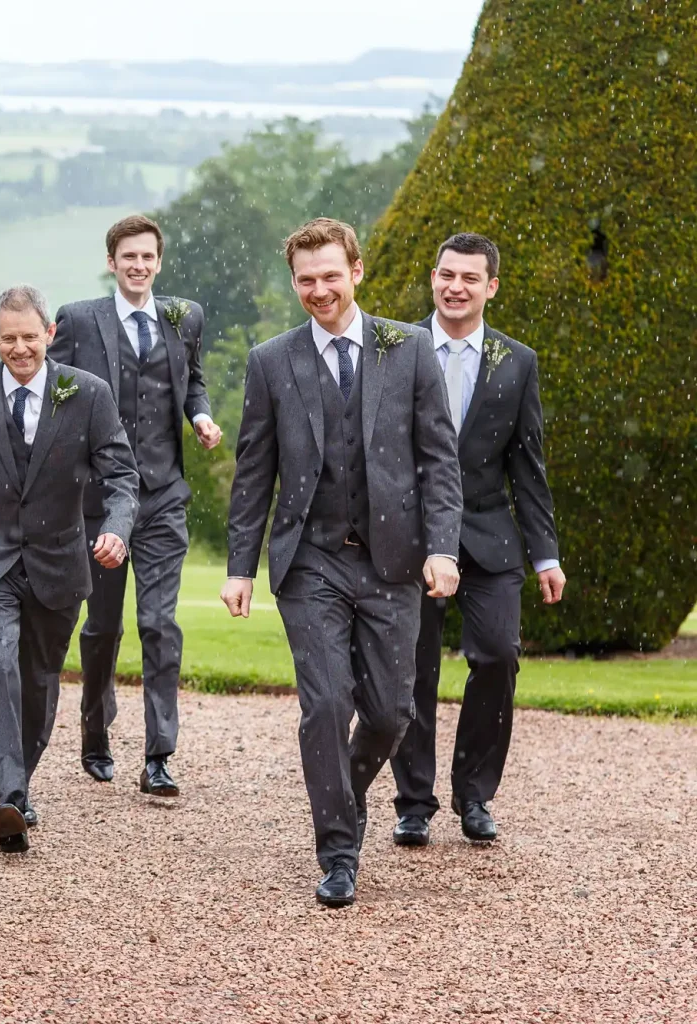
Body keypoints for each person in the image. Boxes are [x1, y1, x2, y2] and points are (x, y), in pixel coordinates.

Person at [220, 218, 462, 907]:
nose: (319, 290)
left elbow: (438, 460)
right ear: (293, 282)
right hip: (311, 562)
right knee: (325, 702)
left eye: (331, 275)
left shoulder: (409, 348)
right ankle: (338, 852)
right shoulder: (272, 361)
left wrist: (442, 547)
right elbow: (253, 472)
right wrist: (239, 566)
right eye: (306, 280)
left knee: (390, 713)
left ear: (357, 271)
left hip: (395, 563)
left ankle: (340, 797)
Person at [0, 285, 138, 853]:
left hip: (60, 562)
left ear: (50, 335)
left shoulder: (89, 394)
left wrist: (115, 527)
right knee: (1, 661)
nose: (20, 349)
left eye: (30, 338)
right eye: (9, 339)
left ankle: (21, 785)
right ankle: (9, 797)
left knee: (41, 680)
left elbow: (121, 476)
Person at [388, 233, 566, 847]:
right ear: (433, 278)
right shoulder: (395, 349)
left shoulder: (518, 363)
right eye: (446, 274)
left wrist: (545, 552)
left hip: (491, 538)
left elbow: (528, 465)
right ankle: (413, 801)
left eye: (469, 277)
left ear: (491, 287)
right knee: (414, 667)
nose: (454, 286)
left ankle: (474, 794)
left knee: (497, 655)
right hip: (411, 538)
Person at [49, 213, 223, 794]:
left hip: (165, 496)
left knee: (158, 623)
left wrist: (199, 414)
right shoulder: (78, 319)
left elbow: (191, 380)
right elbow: (59, 390)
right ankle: (95, 731)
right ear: (112, 261)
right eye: (129, 257)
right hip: (97, 502)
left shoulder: (184, 316)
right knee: (100, 628)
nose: (139, 266)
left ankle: (158, 755)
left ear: (159, 260)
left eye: (148, 257)